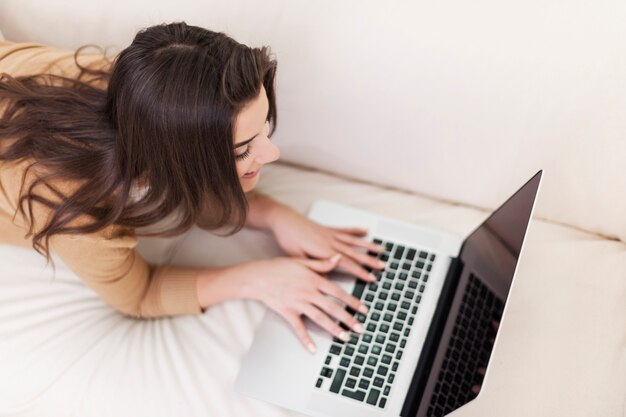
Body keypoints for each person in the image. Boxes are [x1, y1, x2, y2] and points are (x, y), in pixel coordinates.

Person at [0, 22, 386, 354]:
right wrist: (259, 279)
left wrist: (274, 216)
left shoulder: (146, 85)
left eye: (263, 126)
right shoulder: (73, 201)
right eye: (243, 149)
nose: (272, 153)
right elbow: (139, 294)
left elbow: (186, 173)